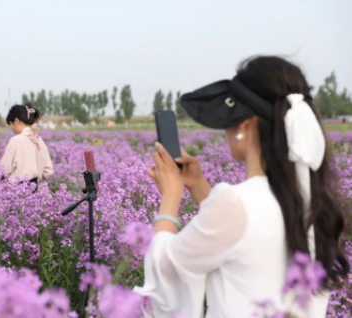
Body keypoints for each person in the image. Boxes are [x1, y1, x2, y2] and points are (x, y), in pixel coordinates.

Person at [134, 56, 349, 318]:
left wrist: (171, 196)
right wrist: (199, 186)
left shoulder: (235, 203)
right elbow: (246, 230)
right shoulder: (316, 204)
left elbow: (166, 273)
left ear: (244, 125)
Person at [0, 103, 54, 183]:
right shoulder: (39, 139)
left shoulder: (15, 140)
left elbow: (4, 169)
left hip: (16, 190)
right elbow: (48, 170)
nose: (11, 128)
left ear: (16, 121)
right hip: (36, 189)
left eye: (10, 124)